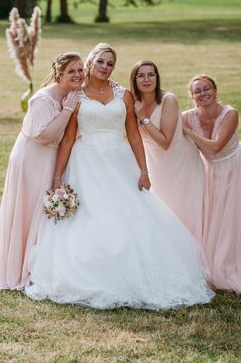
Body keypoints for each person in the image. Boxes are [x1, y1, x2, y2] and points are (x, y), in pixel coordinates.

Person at [24, 44, 214, 310]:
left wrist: (144, 171)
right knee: (89, 218)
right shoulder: (77, 97)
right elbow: (67, 140)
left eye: (110, 63)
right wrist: (57, 178)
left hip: (118, 161)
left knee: (133, 215)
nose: (105, 67)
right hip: (85, 163)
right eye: (100, 61)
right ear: (90, 62)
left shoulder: (123, 95)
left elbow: (134, 136)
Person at [0, 52, 84, 290]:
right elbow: (46, 135)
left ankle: (37, 266)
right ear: (59, 74)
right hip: (31, 158)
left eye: (81, 70)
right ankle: (18, 270)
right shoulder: (42, 98)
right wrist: (68, 109)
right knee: (28, 210)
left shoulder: (72, 94)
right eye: (72, 71)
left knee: (42, 211)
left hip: (48, 158)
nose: (78, 75)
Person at [182, 75, 241, 294]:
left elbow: (215, 148)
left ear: (215, 91)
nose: (203, 93)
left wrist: (188, 133)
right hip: (208, 169)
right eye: (198, 91)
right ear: (192, 96)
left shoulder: (230, 114)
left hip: (235, 165)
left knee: (234, 217)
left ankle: (233, 265)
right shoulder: (187, 117)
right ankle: (210, 264)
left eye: (207, 89)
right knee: (211, 216)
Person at [130, 60, 205, 242]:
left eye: (151, 75)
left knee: (182, 213)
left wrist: (143, 118)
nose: (147, 79)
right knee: (163, 214)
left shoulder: (168, 100)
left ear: (157, 78)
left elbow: (165, 142)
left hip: (180, 163)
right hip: (155, 163)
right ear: (134, 80)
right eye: (141, 75)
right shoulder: (133, 103)